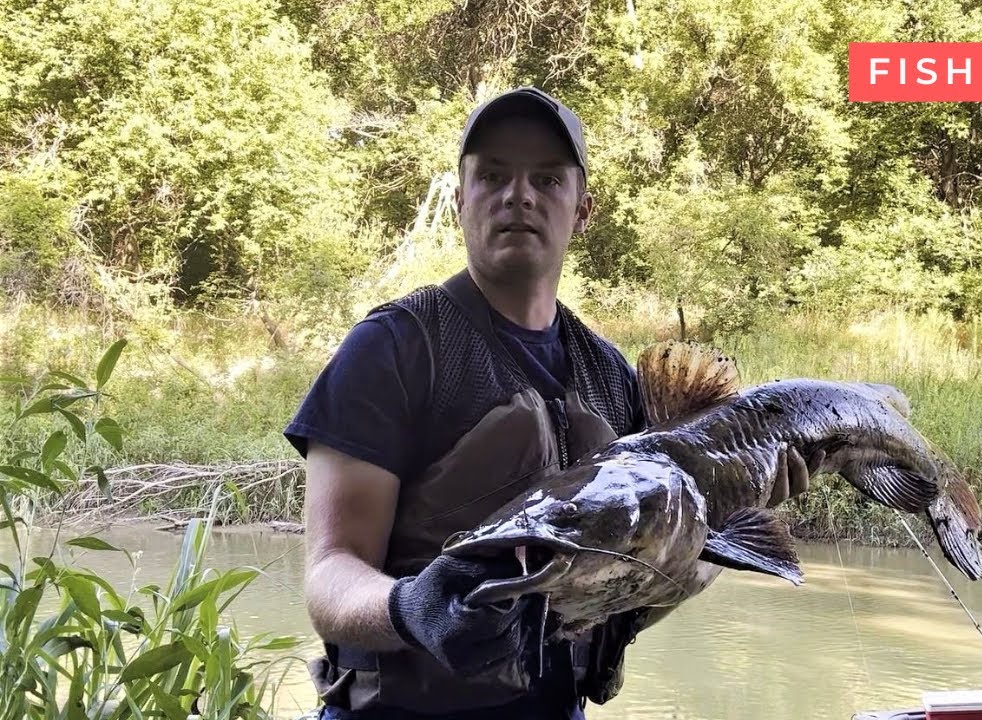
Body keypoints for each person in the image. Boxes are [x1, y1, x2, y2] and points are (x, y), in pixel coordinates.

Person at [284, 86, 817, 720]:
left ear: (582, 210)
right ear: (460, 201)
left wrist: (744, 501)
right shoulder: (393, 348)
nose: (519, 195)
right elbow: (330, 572)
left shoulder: (611, 375)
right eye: (493, 176)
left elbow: (649, 573)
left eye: (546, 178)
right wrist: (415, 608)